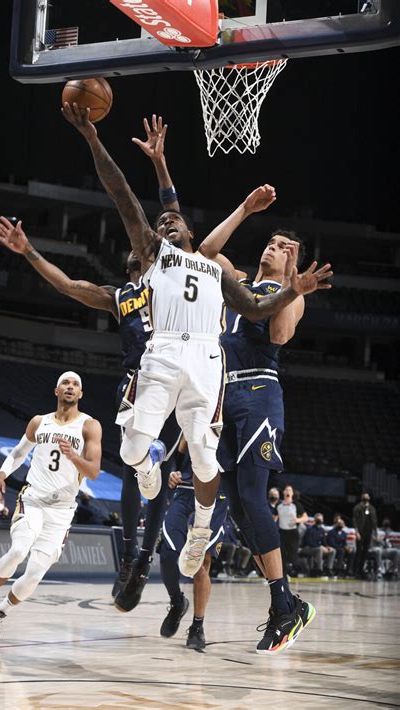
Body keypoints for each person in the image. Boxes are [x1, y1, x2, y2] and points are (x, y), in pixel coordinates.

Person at [62, 101, 333, 584]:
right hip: (164, 352)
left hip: (208, 360)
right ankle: (151, 476)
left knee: (206, 461)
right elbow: (121, 190)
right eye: (163, 223)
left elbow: (254, 311)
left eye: (174, 222)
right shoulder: (156, 253)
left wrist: (294, 289)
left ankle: (200, 531)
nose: (166, 225)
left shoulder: (215, 267)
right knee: (129, 453)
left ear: (190, 228)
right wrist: (91, 138)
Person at [0, 118, 181, 608]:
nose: (152, 239)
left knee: (178, 469)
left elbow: (153, 207)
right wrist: (29, 250)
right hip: (141, 381)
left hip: (185, 373)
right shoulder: (121, 296)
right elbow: (69, 286)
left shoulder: (177, 269)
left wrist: (158, 166)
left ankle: (150, 555)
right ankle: (132, 558)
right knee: (135, 462)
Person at [198, 218, 325, 653]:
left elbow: (279, 334)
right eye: (271, 243)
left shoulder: (290, 296)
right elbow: (207, 253)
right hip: (222, 397)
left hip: (258, 394)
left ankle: (283, 603)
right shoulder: (236, 283)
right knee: (235, 508)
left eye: (285, 247)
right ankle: (286, 603)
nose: (274, 248)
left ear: (294, 260)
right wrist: (245, 212)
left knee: (253, 497)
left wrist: (294, 283)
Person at [0, 371, 102, 640]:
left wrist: (73, 456)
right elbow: (18, 452)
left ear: (81, 394)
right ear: (57, 391)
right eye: (65, 384)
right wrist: (2, 475)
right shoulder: (39, 422)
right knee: (18, 551)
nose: (70, 387)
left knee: (35, 573)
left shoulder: (89, 426)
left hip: (62, 510)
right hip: (33, 499)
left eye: (75, 385)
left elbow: (93, 471)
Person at [157, 437, 228, 651]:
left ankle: (198, 626)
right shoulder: (195, 408)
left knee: (201, 563)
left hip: (216, 495)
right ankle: (177, 601)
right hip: (185, 490)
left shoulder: (233, 416)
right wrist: (174, 472)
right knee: (168, 554)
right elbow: (182, 446)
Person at [277, 485, 308, 578]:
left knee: (293, 558)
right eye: (286, 490)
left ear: (292, 493)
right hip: (282, 533)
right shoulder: (279, 505)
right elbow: (274, 518)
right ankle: (283, 576)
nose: (287, 491)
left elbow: (305, 518)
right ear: (283, 492)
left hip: (293, 534)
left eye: (289, 490)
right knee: (281, 556)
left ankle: (304, 564)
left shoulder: (296, 505)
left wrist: (297, 520)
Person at [353, 492, 378, 579]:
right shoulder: (358, 508)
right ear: (362, 498)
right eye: (364, 497)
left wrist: (375, 532)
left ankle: (361, 570)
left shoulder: (372, 508)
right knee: (359, 551)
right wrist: (357, 532)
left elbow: (374, 521)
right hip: (360, 532)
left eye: (367, 497)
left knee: (365, 553)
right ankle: (355, 571)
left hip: (368, 532)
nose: (366, 499)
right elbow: (355, 521)